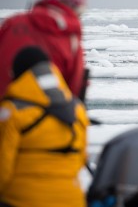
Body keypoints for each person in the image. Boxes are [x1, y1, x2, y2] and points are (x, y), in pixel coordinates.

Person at [0, 46, 89, 207]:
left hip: (23, 200)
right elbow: (81, 159)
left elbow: (2, 168)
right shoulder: (77, 109)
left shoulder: (12, 111)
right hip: (72, 199)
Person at [0, 0, 89, 99]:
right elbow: (74, 90)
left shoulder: (12, 24)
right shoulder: (70, 38)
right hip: (46, 115)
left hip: (5, 112)